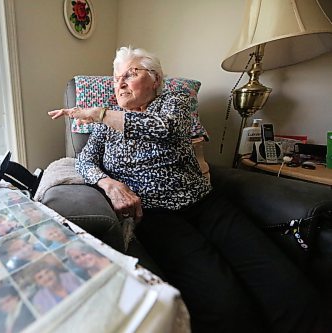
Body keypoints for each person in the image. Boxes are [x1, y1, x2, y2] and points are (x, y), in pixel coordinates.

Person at [48, 46, 322, 332]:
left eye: (131, 73)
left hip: (205, 205)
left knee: (282, 281)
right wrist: (108, 182)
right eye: (116, 78)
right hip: (157, 217)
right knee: (223, 302)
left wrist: (101, 113)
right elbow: (84, 161)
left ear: (155, 79)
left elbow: (166, 128)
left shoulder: (173, 102)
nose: (120, 83)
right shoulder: (105, 125)